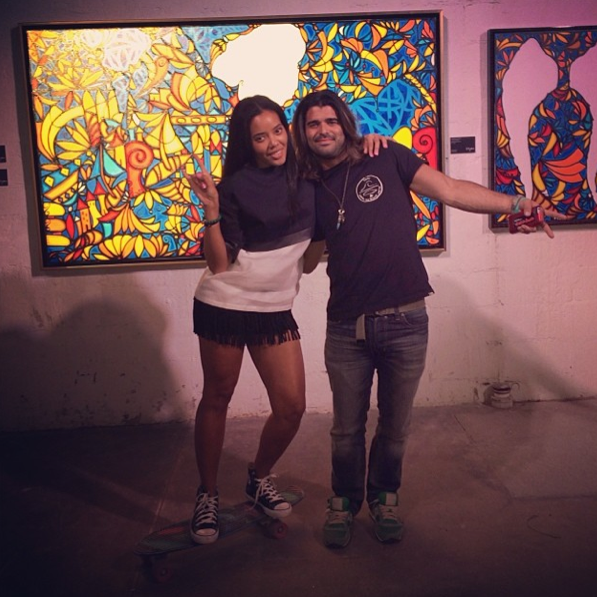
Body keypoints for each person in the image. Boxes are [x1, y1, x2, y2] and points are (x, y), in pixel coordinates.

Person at [291, 89, 567, 548]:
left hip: (405, 321)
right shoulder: (309, 187)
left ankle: (384, 499)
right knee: (345, 429)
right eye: (313, 124)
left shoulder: (386, 156)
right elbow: (306, 261)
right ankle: (343, 502)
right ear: (304, 133)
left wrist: (517, 203)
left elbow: (452, 191)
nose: (323, 130)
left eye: (330, 121)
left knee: (395, 427)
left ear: (345, 123)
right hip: (346, 326)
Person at [186, 94, 384, 545]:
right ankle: (207, 494)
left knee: (291, 406)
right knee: (217, 397)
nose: (273, 142)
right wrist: (211, 211)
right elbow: (219, 264)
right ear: (247, 143)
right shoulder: (234, 187)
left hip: (274, 308)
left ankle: (258, 477)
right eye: (260, 137)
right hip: (224, 303)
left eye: (278, 131)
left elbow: (309, 261)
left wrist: (370, 141)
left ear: (288, 130)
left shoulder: (310, 178)